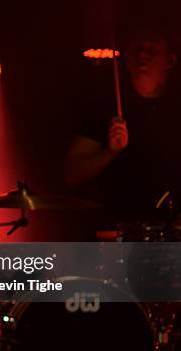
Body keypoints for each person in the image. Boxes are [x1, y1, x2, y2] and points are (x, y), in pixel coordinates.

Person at [65, 26, 180, 219]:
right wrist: (110, 152)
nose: (143, 53)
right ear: (126, 58)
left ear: (171, 60)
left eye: (153, 48)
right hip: (118, 229)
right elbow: (72, 174)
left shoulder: (175, 107)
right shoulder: (105, 106)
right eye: (138, 47)